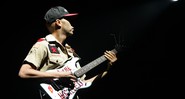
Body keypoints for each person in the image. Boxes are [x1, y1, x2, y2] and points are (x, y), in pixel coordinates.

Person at [18, 6, 118, 99]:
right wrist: (60, 75)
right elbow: (24, 72)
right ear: (58, 22)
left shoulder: (71, 52)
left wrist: (108, 70)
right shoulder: (43, 45)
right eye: (69, 20)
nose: (73, 24)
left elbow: (82, 83)